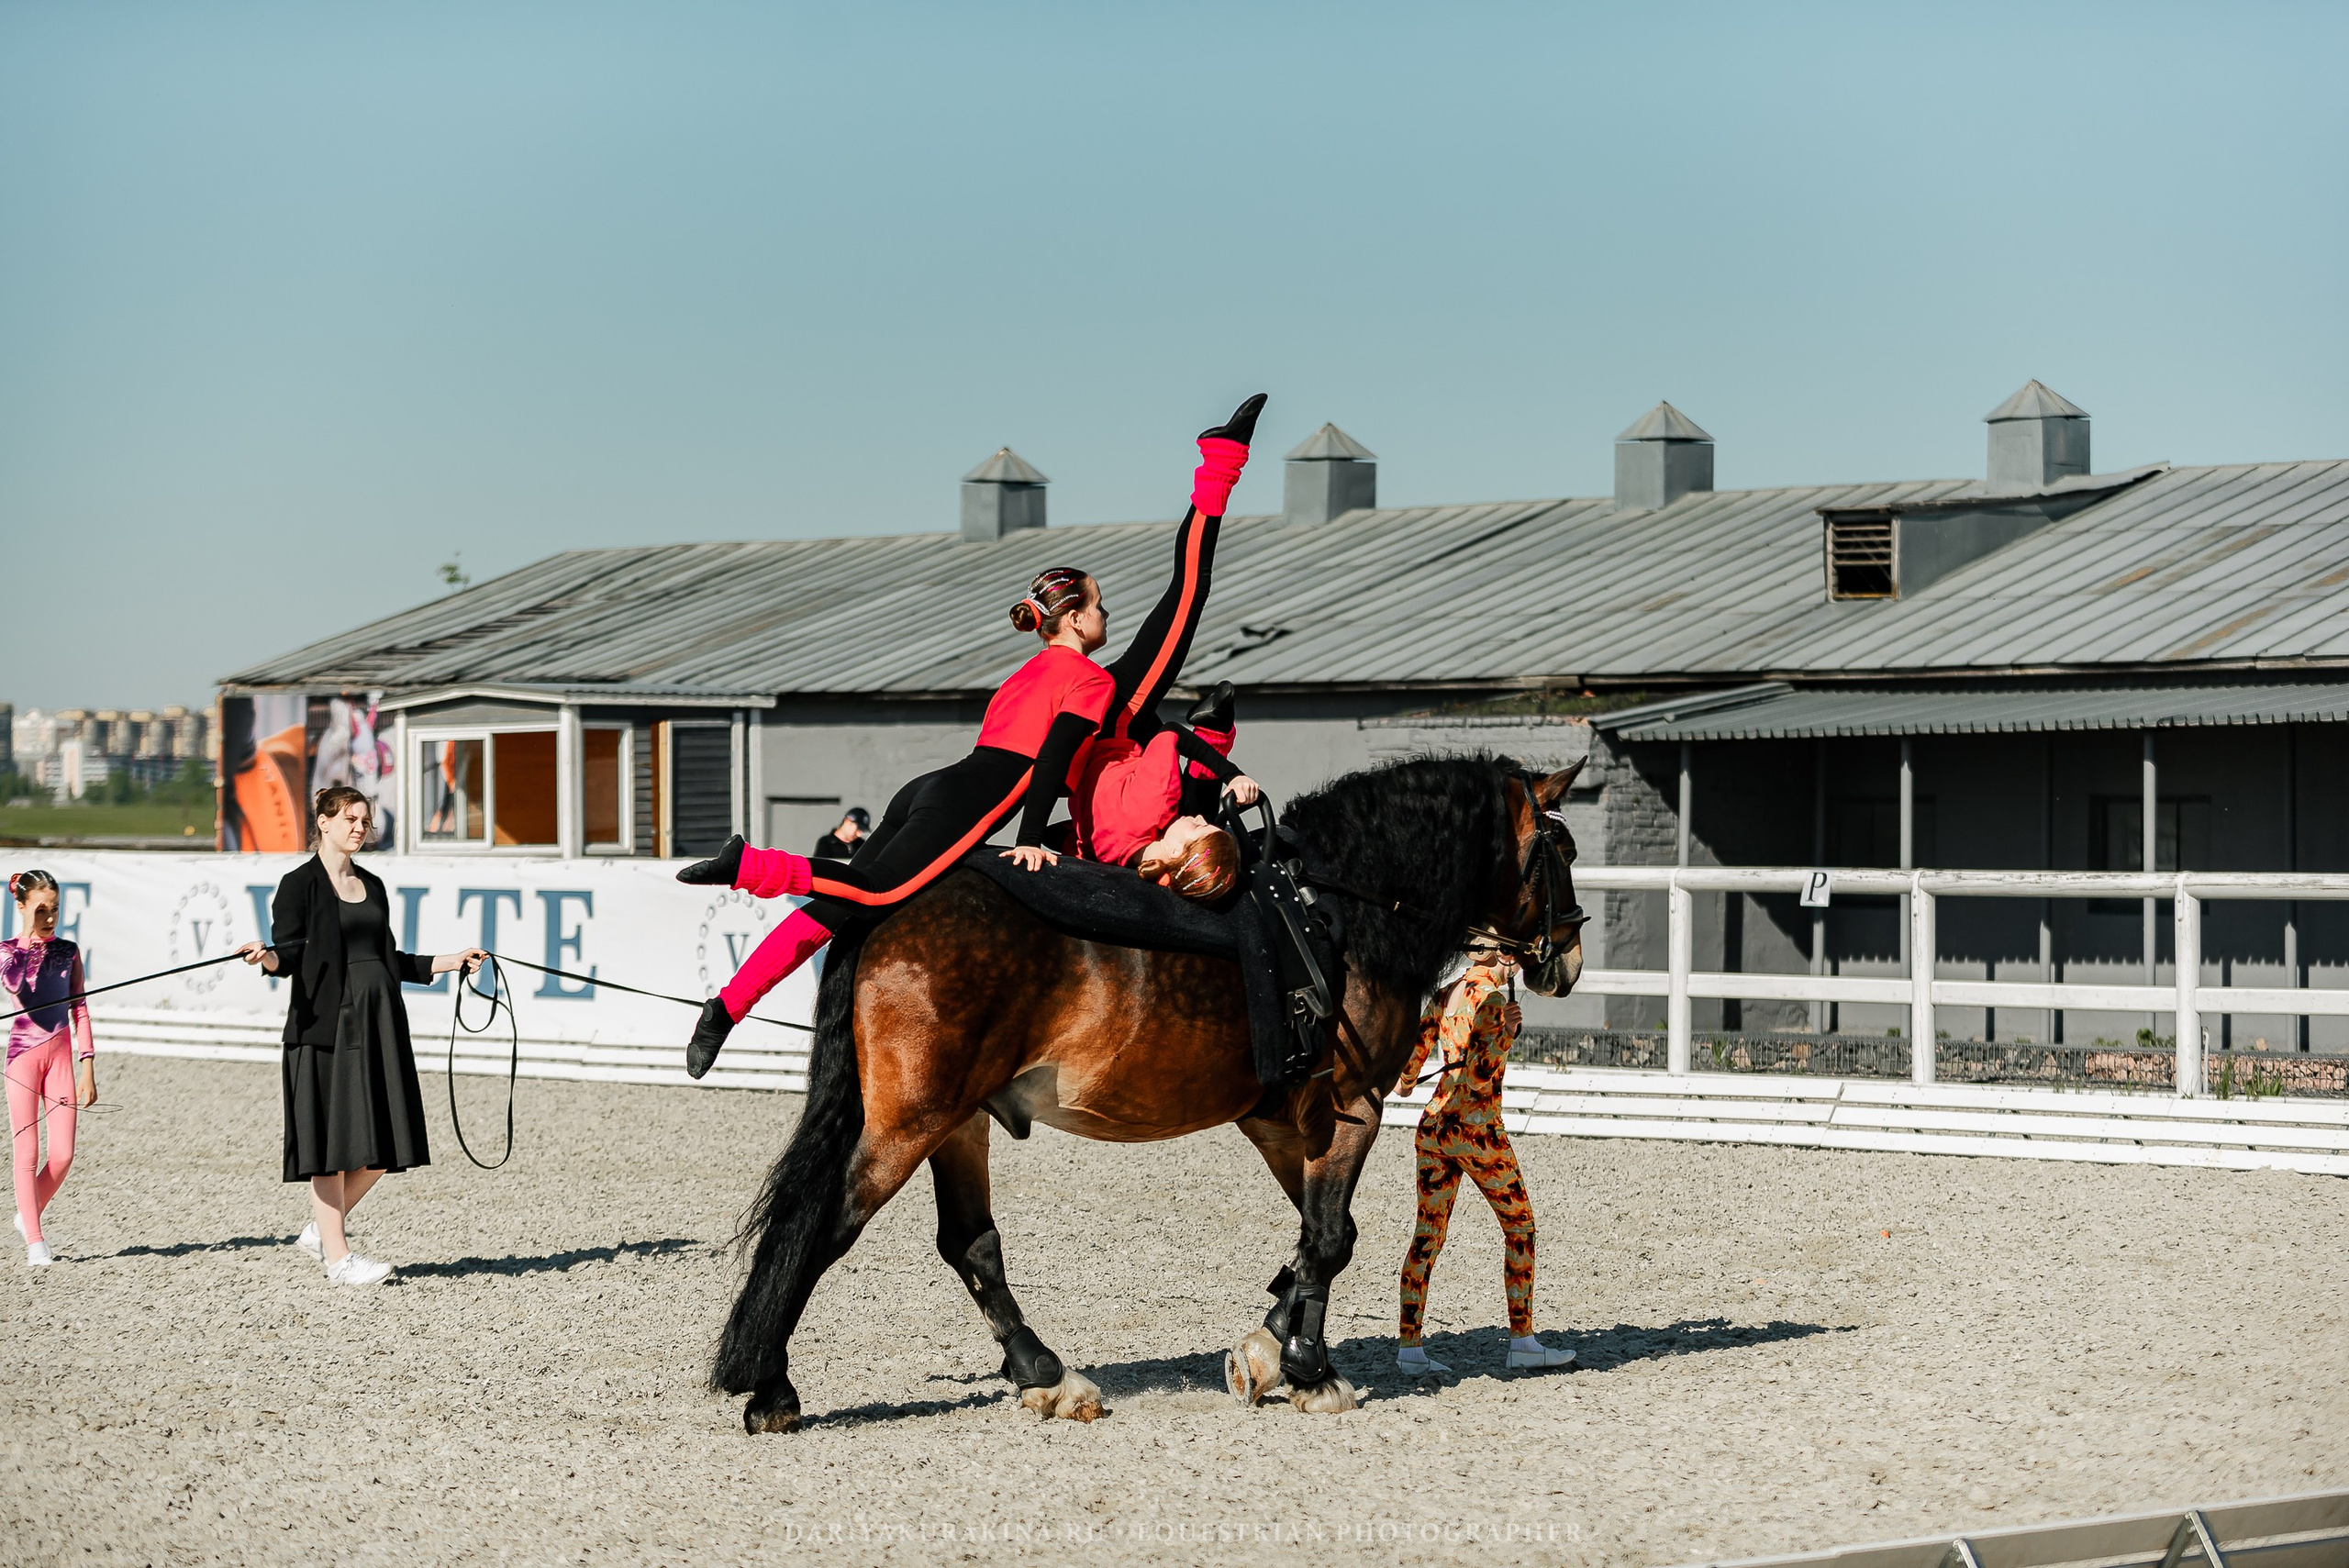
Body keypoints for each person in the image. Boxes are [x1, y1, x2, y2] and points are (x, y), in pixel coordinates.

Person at [676, 393, 1268, 1078]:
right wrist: (1030, 838)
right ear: (1077, 620)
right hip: (971, 801)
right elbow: (1066, 740)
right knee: (875, 893)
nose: (1109, 616)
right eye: (1102, 606)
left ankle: (725, 1008)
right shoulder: (1098, 687)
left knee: (838, 906)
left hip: (932, 786)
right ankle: (750, 867)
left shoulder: (1030, 673)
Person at [237, 786, 486, 1286]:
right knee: (331, 1147)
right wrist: (266, 957)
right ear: (323, 822)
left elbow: (389, 959)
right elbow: (288, 955)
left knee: (384, 1142)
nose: (359, 828)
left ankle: (321, 1230)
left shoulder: (372, 884)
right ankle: (339, 1260)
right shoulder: (298, 884)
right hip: (325, 1027)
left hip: (379, 1023)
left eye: (365, 821)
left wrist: (452, 960)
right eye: (350, 819)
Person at [1393, 944, 1576, 1374]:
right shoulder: (1493, 1001)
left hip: (1434, 1127)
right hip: (1477, 1133)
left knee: (1426, 1238)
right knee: (1521, 1228)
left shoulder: (1444, 994)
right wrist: (1505, 1033)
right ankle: (1523, 1341)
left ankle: (1410, 1349)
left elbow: (1405, 1079)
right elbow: (1478, 1078)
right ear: (1504, 956)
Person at [3, 870, 95, 1267]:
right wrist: (27, 933)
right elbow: (15, 985)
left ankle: (27, 1214)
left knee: (63, 1155)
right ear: (22, 907)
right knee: (27, 1152)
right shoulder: (8, 950)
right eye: (40, 910)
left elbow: (80, 1007)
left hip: (59, 1060)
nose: (50, 917)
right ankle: (35, 1242)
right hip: (22, 1060)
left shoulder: (68, 951)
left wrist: (87, 1065)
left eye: (55, 909)